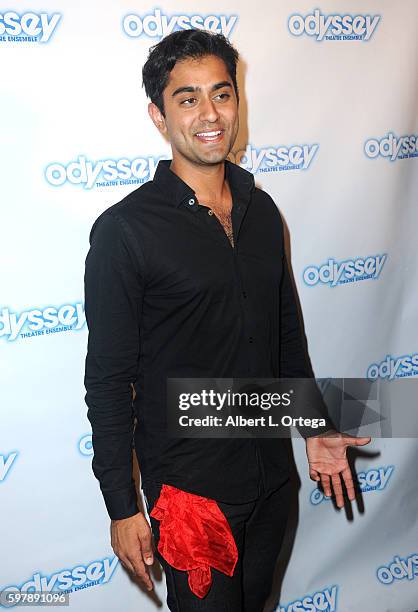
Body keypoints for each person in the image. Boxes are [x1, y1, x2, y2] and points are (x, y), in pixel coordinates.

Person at [84, 29, 370, 612]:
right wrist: (121, 507)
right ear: (159, 116)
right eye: (187, 99)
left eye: (222, 93)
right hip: (191, 498)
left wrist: (315, 430)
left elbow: (287, 337)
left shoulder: (263, 212)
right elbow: (109, 382)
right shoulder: (124, 231)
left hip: (271, 481)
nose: (209, 114)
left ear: (238, 101)